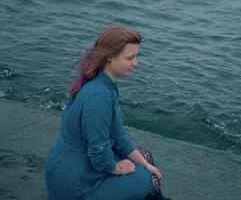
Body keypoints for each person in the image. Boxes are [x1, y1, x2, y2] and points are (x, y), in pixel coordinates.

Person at [46, 25, 167, 200]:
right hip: (79, 180)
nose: (136, 63)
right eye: (130, 58)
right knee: (152, 182)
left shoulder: (102, 82)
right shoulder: (99, 96)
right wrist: (117, 169)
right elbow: (98, 152)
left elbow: (118, 135)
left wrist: (146, 165)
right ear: (109, 57)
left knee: (146, 158)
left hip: (74, 165)